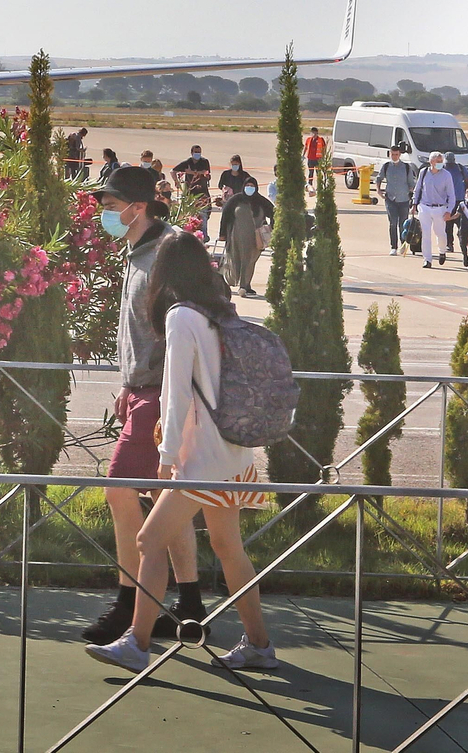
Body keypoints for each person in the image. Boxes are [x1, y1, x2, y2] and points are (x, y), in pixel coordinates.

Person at [85, 232, 277, 674]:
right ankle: (259, 644)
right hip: (233, 453)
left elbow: (175, 395)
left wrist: (167, 456)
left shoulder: (180, 317)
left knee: (148, 541)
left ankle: (136, 643)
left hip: (199, 459)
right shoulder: (219, 311)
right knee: (229, 548)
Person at [81, 167, 205, 645]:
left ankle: (130, 604)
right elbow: (136, 328)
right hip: (142, 390)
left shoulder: (168, 253)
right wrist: (126, 384)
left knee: (119, 490)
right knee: (163, 499)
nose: (105, 215)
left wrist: (161, 392)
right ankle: (189, 605)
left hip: (160, 394)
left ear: (138, 207)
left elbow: (182, 328)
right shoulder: (137, 251)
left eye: (112, 207)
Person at [218, 183, 274, 297]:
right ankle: (229, 281)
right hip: (237, 237)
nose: (250, 188)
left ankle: (245, 285)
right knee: (234, 260)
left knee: (249, 261)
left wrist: (272, 228)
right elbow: (225, 216)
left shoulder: (261, 201)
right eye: (247, 185)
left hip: (255, 239)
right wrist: (222, 234)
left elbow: (274, 213)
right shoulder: (236, 200)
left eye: (252, 186)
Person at [414, 152, 458, 268]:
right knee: (426, 234)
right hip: (424, 207)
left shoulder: (446, 175)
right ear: (431, 162)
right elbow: (417, 189)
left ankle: (442, 251)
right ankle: (427, 259)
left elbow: (451, 195)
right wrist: (414, 204)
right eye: (438, 161)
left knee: (440, 233)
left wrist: (449, 211)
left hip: (440, 208)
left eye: (441, 161)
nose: (440, 163)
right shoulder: (423, 172)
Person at [376, 145, 417, 255]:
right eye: (393, 154)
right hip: (390, 199)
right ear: (390, 154)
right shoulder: (386, 166)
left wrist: (412, 192)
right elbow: (379, 178)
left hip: (404, 200)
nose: (394, 156)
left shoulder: (406, 167)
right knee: (393, 223)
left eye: (396, 154)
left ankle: (403, 244)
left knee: (403, 223)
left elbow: (411, 183)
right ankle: (393, 246)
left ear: (400, 155)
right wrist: (378, 190)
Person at [172, 146, 212, 231]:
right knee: (189, 217)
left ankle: (203, 235)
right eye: (196, 152)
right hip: (190, 194)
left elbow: (206, 173)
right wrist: (176, 181)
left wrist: (192, 172)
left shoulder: (204, 162)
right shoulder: (188, 162)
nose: (198, 154)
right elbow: (173, 171)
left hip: (202, 193)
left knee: (203, 216)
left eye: (199, 152)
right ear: (192, 153)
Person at [304, 127, 327, 192]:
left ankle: (319, 186)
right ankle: (310, 186)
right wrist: (303, 155)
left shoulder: (320, 139)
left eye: (315, 133)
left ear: (317, 133)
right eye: (313, 133)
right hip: (310, 159)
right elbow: (306, 147)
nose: (314, 134)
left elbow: (324, 148)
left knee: (318, 173)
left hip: (317, 159)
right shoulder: (308, 139)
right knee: (310, 173)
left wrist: (323, 157)